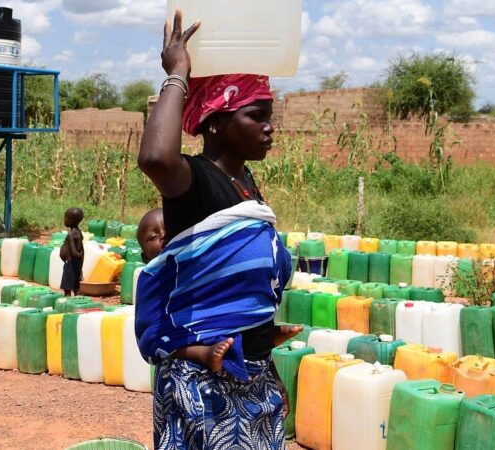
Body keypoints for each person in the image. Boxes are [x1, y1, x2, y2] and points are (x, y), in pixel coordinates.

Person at [135, 10, 300, 449]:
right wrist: (177, 74)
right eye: (256, 115)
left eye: (270, 115)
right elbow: (154, 158)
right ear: (216, 123)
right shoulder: (195, 181)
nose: (269, 127)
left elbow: (248, 295)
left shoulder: (246, 187)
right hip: (205, 385)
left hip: (254, 377)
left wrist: (269, 360)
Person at [137, 207, 234, 372]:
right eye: (154, 236)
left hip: (208, 326)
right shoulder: (150, 280)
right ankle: (202, 354)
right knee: (155, 339)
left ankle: (264, 338)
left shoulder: (197, 265)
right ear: (145, 257)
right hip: (173, 337)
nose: (163, 235)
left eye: (169, 229)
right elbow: (146, 319)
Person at [59, 207, 84, 296]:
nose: (64, 220)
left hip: (70, 264)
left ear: (70, 220)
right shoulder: (79, 232)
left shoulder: (71, 234)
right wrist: (81, 265)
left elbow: (74, 252)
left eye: (65, 218)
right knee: (76, 285)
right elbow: (81, 250)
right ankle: (78, 301)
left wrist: (79, 254)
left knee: (67, 287)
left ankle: (68, 303)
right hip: (76, 263)